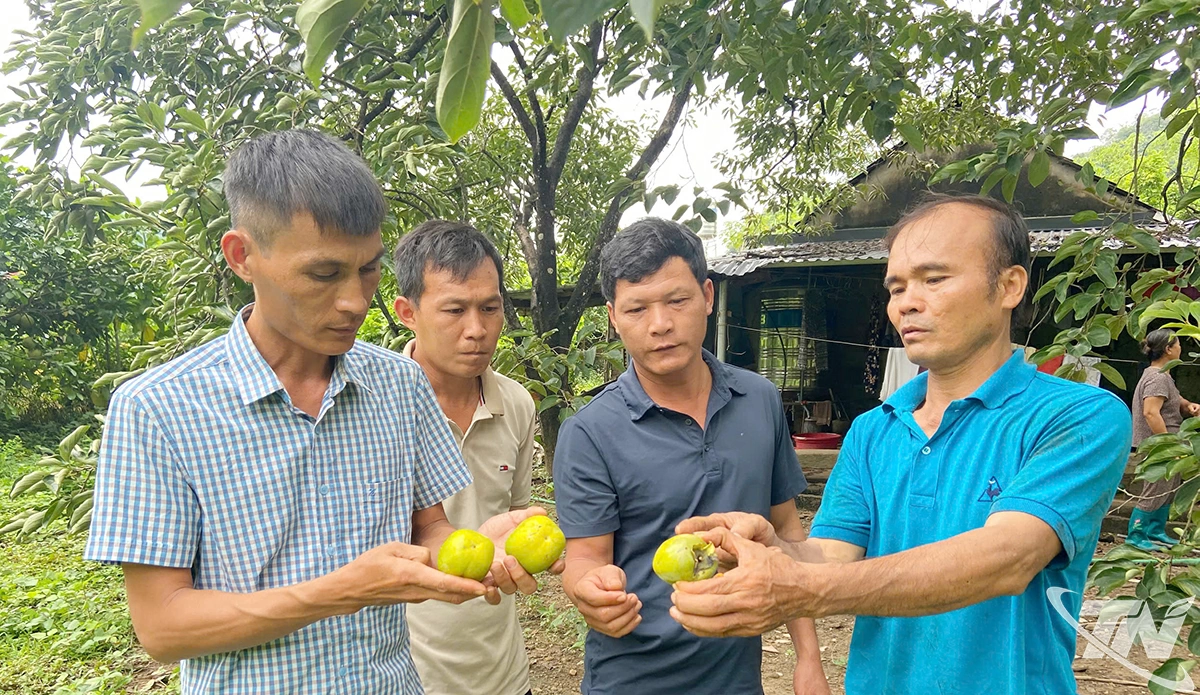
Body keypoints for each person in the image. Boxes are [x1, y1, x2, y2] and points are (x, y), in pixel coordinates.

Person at [83, 130, 546, 694]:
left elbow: (429, 529)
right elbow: (162, 626)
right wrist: (340, 591)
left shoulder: (399, 385)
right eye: (324, 274)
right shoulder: (158, 409)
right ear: (242, 256)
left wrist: (470, 549)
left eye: (368, 270)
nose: (355, 300)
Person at [670, 194, 1133, 695]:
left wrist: (801, 589)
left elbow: (1009, 557)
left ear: (1009, 286)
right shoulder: (874, 429)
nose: (906, 303)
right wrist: (776, 551)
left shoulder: (1079, 416)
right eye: (896, 286)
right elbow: (833, 553)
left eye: (934, 279)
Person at [552, 218, 827, 695]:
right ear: (614, 318)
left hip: (737, 679)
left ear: (707, 296)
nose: (660, 324)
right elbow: (585, 558)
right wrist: (588, 590)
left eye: (676, 301)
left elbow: (785, 532)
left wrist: (808, 657)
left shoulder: (760, 400)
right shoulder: (590, 432)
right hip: (630, 680)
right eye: (637, 308)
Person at [393, 221, 548, 695]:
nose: (477, 330)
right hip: (405, 674)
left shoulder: (517, 403)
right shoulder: (374, 406)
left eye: (490, 308)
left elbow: (513, 518)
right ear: (407, 312)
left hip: (501, 671)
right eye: (454, 310)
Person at [1126, 329, 1200, 550]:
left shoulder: (1161, 374)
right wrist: (1167, 444)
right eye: (1178, 344)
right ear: (1168, 349)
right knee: (1155, 488)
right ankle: (1137, 534)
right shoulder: (1158, 377)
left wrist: (1186, 405)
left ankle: (1155, 531)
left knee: (1167, 488)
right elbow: (1151, 412)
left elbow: (1171, 398)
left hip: (1165, 443)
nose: (1181, 348)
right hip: (1158, 445)